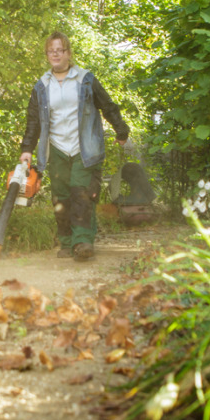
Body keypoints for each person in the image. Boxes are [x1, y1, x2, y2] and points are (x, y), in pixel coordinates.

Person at [20, 31, 130, 261]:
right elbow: (33, 120)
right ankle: (67, 241)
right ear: (47, 54)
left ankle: (82, 241)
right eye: (51, 51)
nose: (56, 54)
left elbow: (107, 105)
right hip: (57, 147)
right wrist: (27, 149)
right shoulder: (42, 85)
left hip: (84, 146)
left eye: (60, 50)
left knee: (81, 191)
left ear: (68, 53)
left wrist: (121, 129)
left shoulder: (85, 79)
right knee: (60, 196)